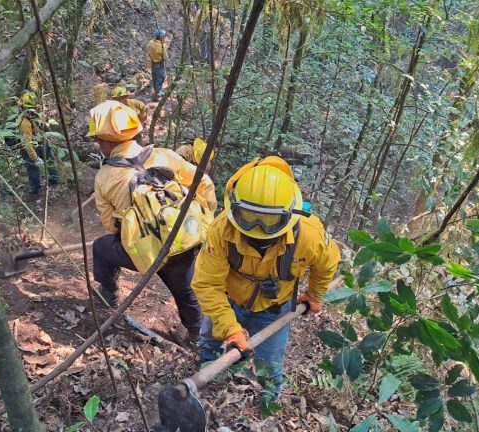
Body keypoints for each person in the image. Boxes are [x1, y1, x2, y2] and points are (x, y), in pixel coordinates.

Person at [191, 156, 340, 397]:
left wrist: (314, 294)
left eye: (270, 221)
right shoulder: (221, 230)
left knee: (270, 367)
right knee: (210, 341)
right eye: (249, 217)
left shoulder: (310, 235)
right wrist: (230, 328)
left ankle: (267, 405)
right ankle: (209, 381)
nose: (259, 228)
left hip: (273, 310)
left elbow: (328, 264)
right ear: (234, 209)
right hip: (228, 301)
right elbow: (207, 284)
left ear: (289, 214)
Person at [87, 100, 217, 341]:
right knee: (183, 286)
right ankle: (197, 335)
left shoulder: (105, 177)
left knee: (101, 247)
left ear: (104, 141)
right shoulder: (164, 155)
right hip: (186, 240)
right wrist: (205, 217)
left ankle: (109, 293)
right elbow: (205, 183)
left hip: (146, 252)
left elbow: (109, 225)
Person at [15, 90, 59, 196]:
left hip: (41, 142)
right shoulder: (24, 123)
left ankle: (54, 180)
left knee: (50, 160)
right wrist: (35, 157)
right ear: (23, 108)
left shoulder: (35, 116)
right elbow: (27, 143)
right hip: (30, 147)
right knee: (33, 168)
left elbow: (41, 128)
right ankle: (35, 190)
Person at [146, 29, 168, 99]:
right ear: (161, 37)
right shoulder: (161, 46)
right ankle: (157, 94)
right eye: (164, 36)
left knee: (155, 77)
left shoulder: (151, 43)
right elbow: (165, 57)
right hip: (159, 64)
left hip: (152, 63)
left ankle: (156, 91)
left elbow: (148, 51)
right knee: (161, 78)